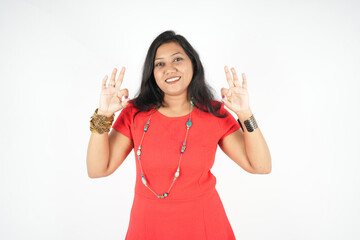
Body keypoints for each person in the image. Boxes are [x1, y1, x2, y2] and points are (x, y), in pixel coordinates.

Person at [87, 30, 271, 239]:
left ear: (193, 64)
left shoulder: (214, 112)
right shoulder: (134, 113)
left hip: (205, 227)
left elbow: (261, 166)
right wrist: (103, 115)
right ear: (152, 72)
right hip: (148, 228)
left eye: (177, 59)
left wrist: (245, 113)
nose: (169, 69)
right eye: (160, 64)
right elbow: (97, 169)